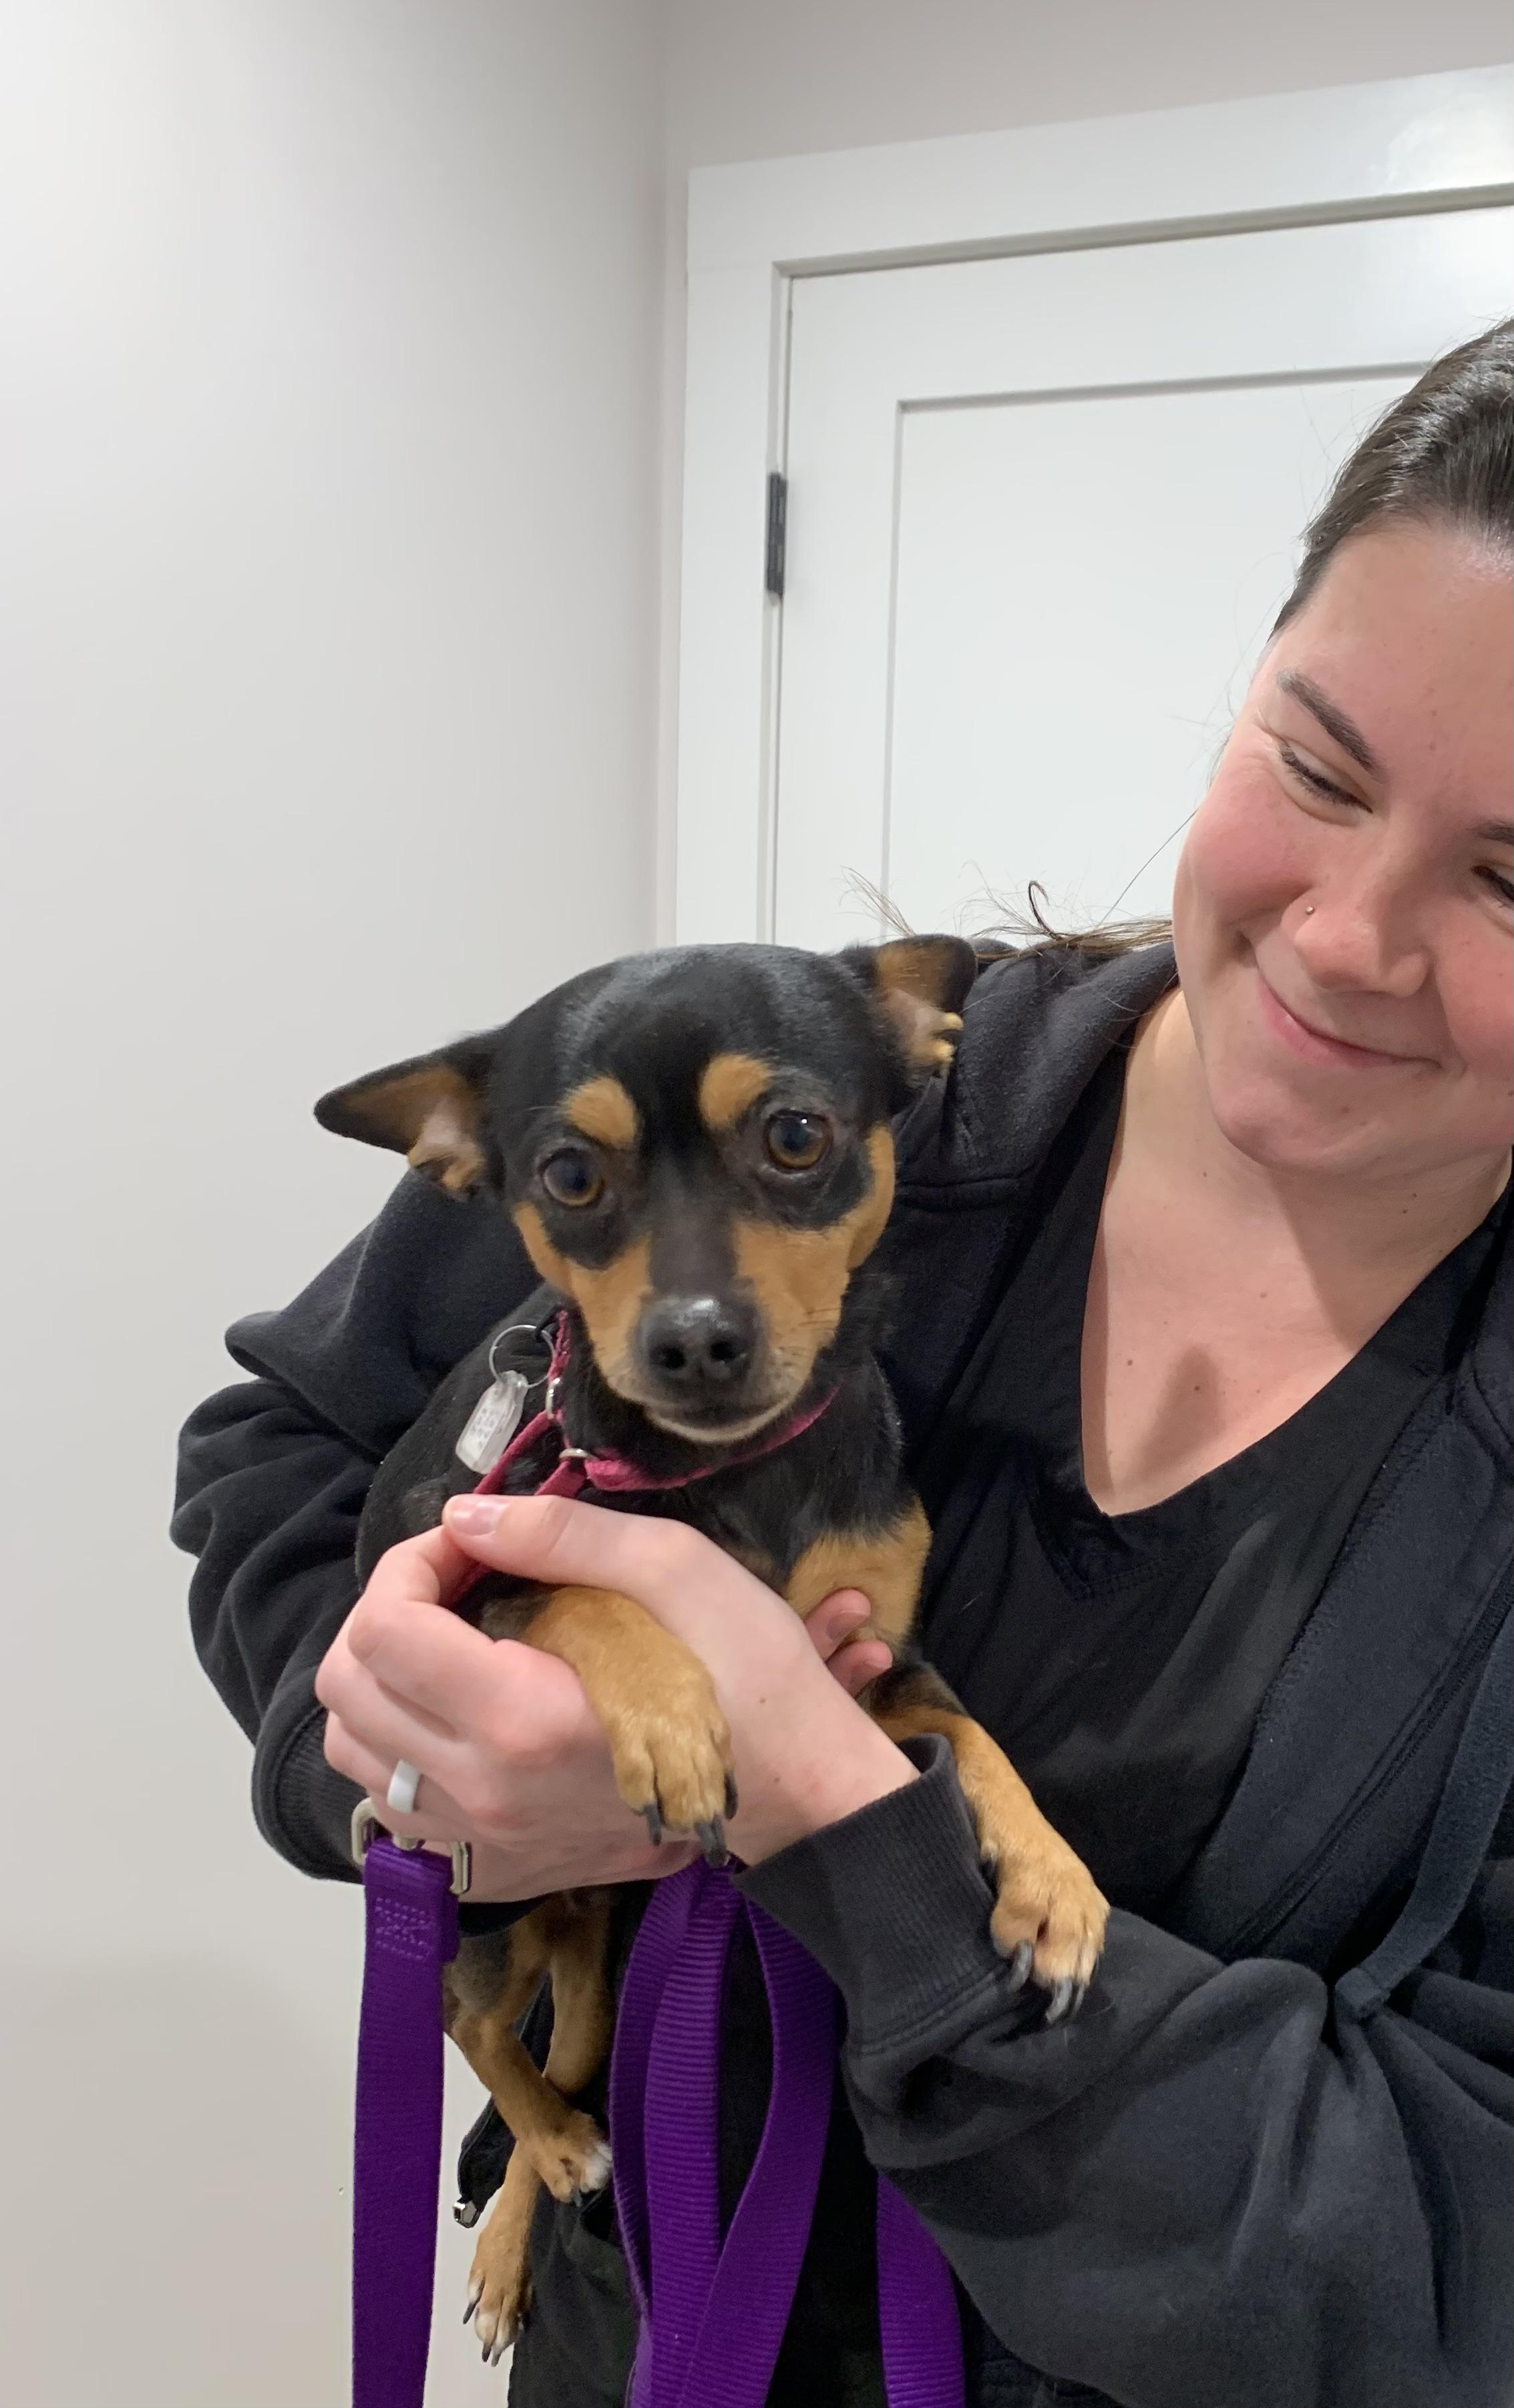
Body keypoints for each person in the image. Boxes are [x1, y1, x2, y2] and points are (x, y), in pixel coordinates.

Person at [174, 323, 1513, 2408]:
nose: (1345, 935)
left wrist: (829, 1816)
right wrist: (409, 1765)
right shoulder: (782, 1082)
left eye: (1513, 874)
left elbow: (1437, 2266)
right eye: (1314, 766)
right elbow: (282, 1454)